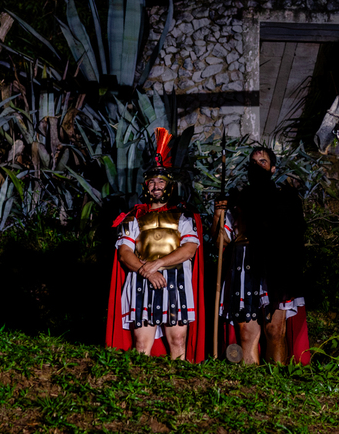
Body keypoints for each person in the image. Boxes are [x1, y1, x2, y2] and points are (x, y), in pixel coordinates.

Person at [105, 128, 205, 362]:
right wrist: (146, 272)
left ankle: (177, 392)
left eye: (161, 181)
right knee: (141, 344)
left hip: (177, 283)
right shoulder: (133, 217)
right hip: (141, 283)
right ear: (145, 186)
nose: (156, 185)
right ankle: (140, 394)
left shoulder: (184, 217)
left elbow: (190, 249)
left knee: (178, 342)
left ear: (169, 186)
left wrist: (158, 264)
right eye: (151, 181)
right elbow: (124, 252)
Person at [214, 147, 310, 365]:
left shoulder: (285, 199)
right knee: (247, 334)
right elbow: (223, 240)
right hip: (244, 265)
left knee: (275, 331)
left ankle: (276, 387)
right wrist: (218, 214)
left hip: (274, 269)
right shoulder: (237, 200)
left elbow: (295, 237)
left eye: (263, 162)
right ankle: (253, 389)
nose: (258, 165)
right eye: (254, 162)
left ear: (273, 168)